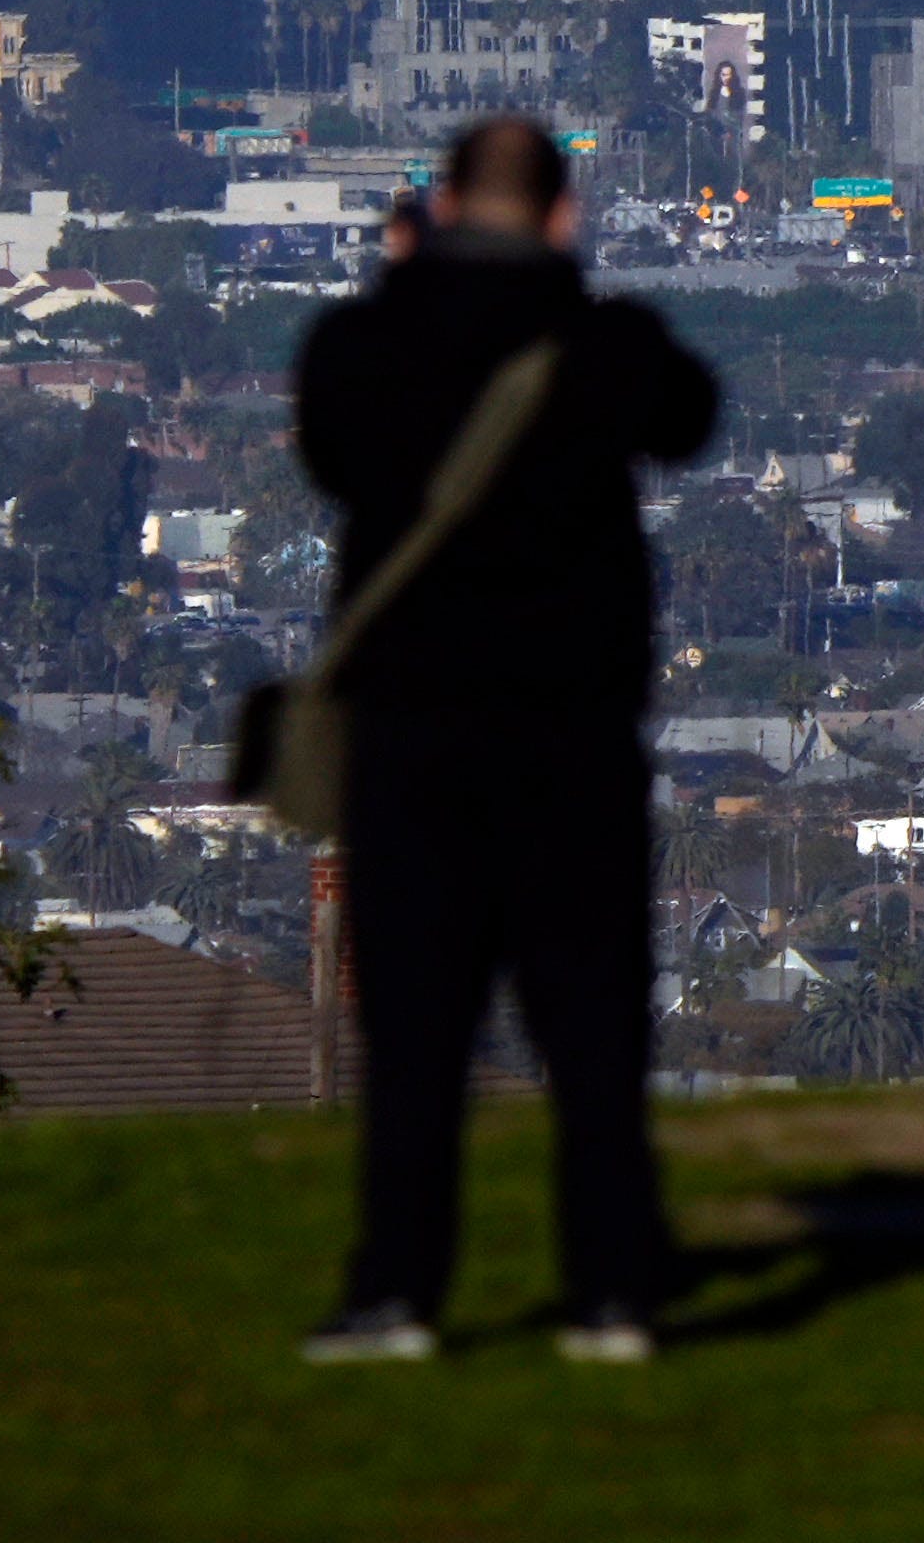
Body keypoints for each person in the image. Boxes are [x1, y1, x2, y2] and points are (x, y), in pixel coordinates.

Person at [289, 109, 721, 1362]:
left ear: (434, 200)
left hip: (410, 738)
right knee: (592, 1038)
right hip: (569, 739)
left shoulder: (366, 343)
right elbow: (690, 417)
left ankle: (395, 1293)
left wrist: (404, 273)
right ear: (562, 213)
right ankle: (612, 1293)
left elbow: (329, 451)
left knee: (415, 1038)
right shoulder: (604, 347)